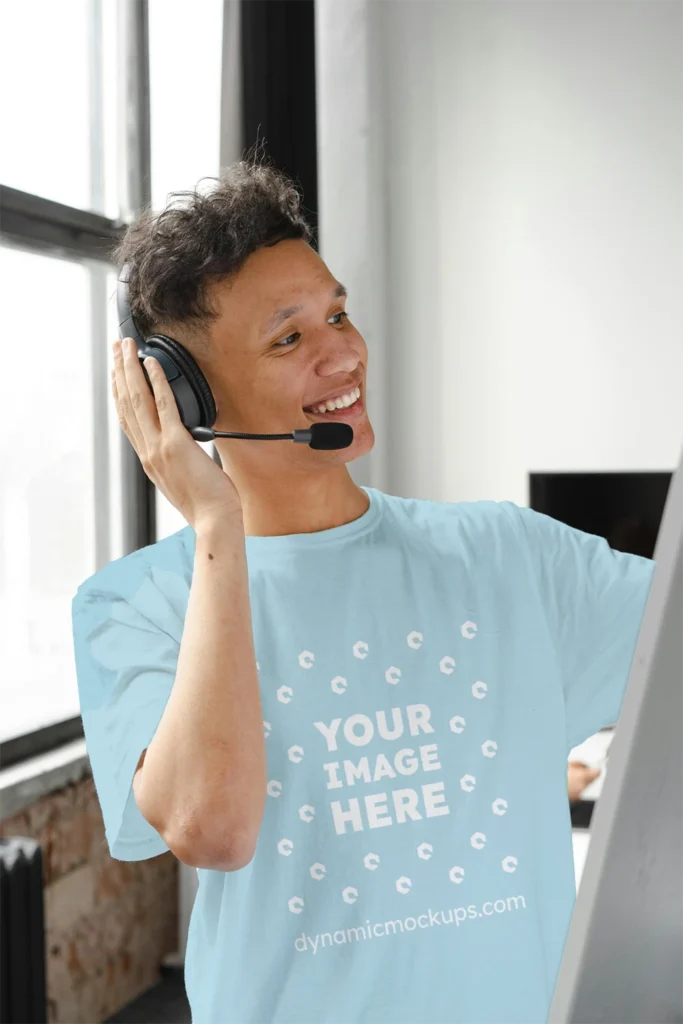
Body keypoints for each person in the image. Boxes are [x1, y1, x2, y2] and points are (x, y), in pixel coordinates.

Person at [71, 156, 656, 1024]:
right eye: (288, 338)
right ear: (187, 397)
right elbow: (213, 827)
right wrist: (216, 529)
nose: (342, 350)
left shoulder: (510, 556)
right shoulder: (135, 607)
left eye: (337, 313)